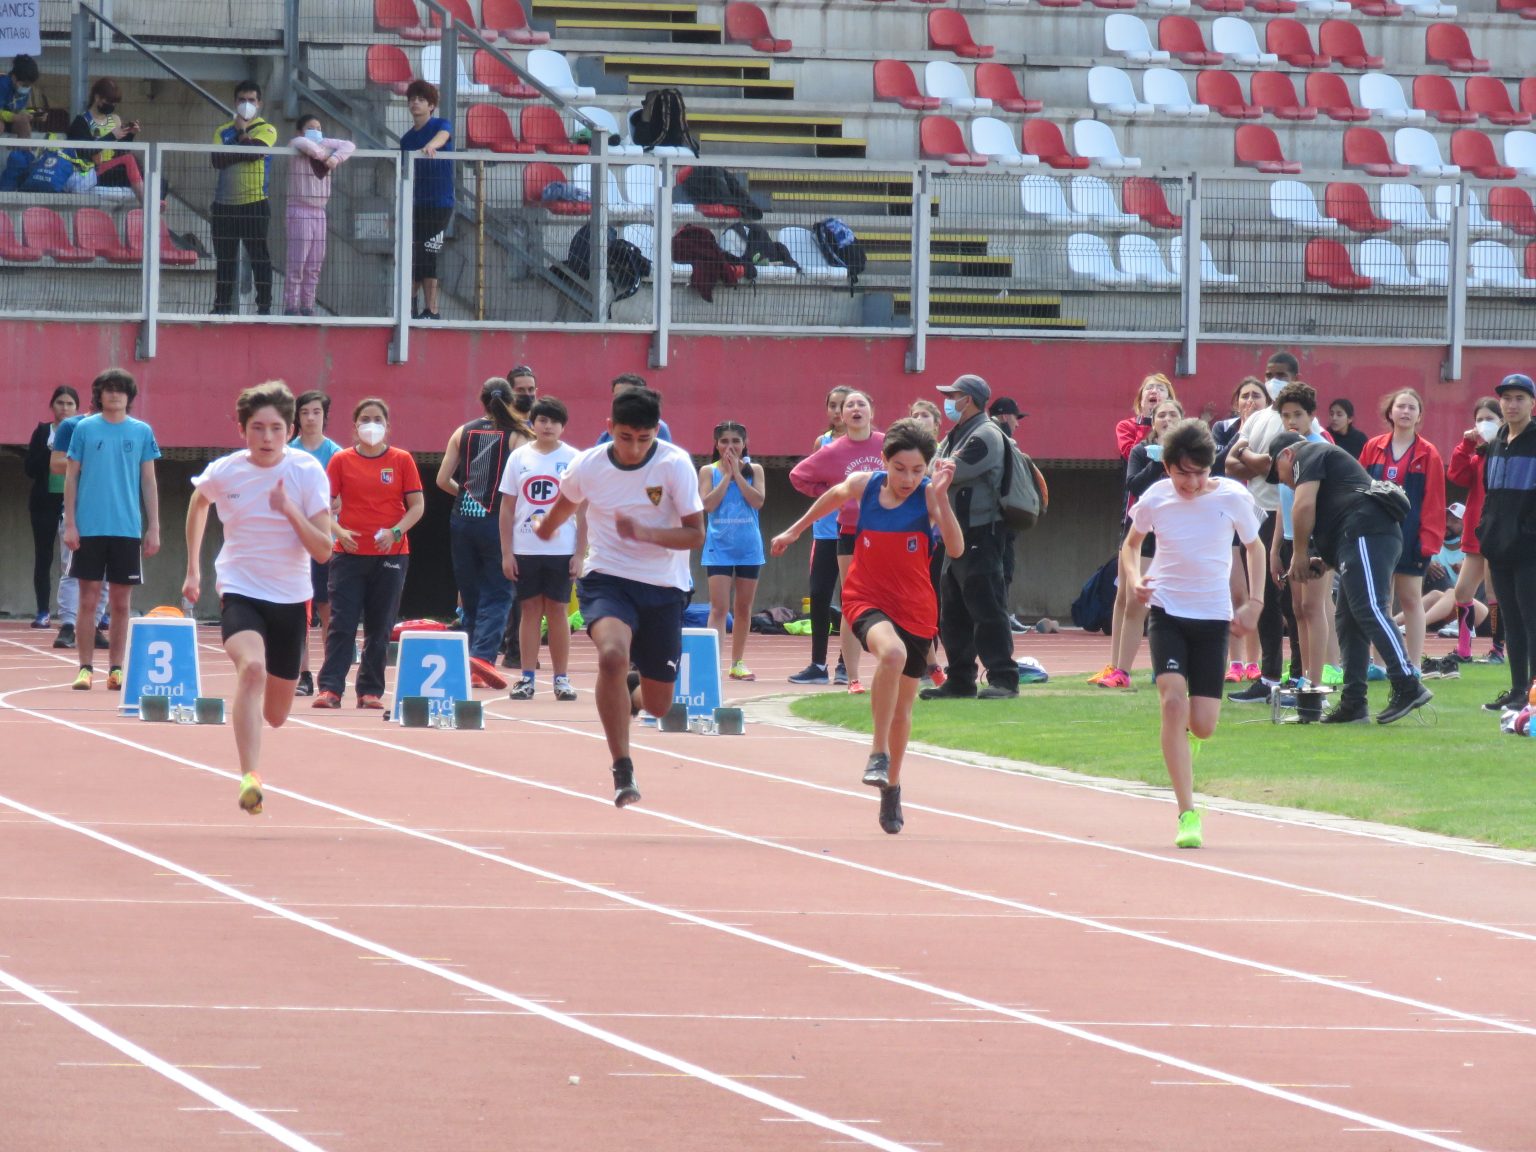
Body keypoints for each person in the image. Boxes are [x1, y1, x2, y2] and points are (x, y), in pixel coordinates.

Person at [770, 418, 964, 835]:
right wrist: (794, 531)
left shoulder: (929, 496)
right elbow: (833, 496)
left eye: (917, 470)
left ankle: (891, 786)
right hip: (866, 598)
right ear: (884, 462)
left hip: (916, 609)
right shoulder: (865, 485)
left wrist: (942, 499)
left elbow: (956, 547)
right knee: (891, 654)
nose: (907, 478)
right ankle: (877, 752)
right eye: (899, 468)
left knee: (903, 711)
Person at [531, 386, 704, 808]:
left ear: (656, 431)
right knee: (611, 655)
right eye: (625, 437)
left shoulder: (675, 464)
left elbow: (695, 534)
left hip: (664, 586)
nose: (634, 448)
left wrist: (647, 533)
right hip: (607, 577)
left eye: (644, 438)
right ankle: (622, 767)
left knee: (659, 705)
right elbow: (565, 504)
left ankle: (633, 692)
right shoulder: (589, 464)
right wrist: (545, 528)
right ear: (609, 428)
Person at [184, 382, 332, 816]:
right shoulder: (225, 471)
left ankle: (258, 733)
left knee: (277, 715)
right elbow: (198, 502)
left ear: (290, 430)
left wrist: (289, 509)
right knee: (251, 669)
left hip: (291, 598)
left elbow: (324, 549)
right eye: (257, 428)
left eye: (276, 429)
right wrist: (193, 568)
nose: (267, 438)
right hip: (240, 589)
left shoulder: (307, 472)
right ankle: (250, 776)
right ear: (242, 430)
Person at [1121, 418, 1265, 849]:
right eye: (1183, 474)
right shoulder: (1156, 497)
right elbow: (1130, 545)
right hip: (1167, 611)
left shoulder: (1232, 497)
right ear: (1167, 467)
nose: (1193, 483)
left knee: (1202, 726)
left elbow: (1254, 547)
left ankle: (1189, 737)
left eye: (1200, 473)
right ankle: (1187, 813)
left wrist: (1255, 602)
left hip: (1213, 619)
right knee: (1172, 702)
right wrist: (1135, 579)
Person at [1267, 432, 1430, 725]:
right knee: (1349, 619)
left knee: (1369, 607)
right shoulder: (1323, 466)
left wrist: (1299, 554)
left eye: (1280, 475)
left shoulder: (1309, 453)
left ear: (1287, 455)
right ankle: (1354, 703)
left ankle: (1408, 683)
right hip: (1360, 537)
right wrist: (1325, 562)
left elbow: (1303, 507)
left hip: (1366, 531)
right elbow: (1338, 510)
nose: (1286, 483)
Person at [313, 398, 424, 708]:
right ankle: (330, 688)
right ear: (355, 426)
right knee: (342, 623)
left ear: (388, 426)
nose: (371, 425)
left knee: (380, 626)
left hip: (391, 555)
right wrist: (338, 531)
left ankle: (370, 690)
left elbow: (417, 506)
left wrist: (395, 532)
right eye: (365, 419)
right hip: (348, 555)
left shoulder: (402, 460)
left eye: (377, 419)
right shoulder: (341, 460)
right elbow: (322, 505)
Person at [62, 369, 161, 691]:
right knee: (87, 600)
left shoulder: (142, 431)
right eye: (109, 389)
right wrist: (71, 523)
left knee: (120, 604)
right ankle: (84, 668)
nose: (115, 394)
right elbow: (71, 477)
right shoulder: (84, 429)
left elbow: (149, 481)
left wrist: (154, 527)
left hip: (126, 529)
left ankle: (116, 669)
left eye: (121, 389)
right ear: (99, 395)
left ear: (129, 396)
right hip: (89, 528)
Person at [922, 374, 1018, 700]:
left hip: (982, 532)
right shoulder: (957, 434)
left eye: (955, 395)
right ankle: (960, 679)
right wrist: (938, 466)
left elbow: (948, 472)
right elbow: (934, 468)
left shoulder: (985, 434)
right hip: (957, 532)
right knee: (953, 611)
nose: (949, 401)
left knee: (987, 607)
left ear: (971, 399)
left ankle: (1004, 678)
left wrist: (938, 466)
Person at [1222, 355, 1305, 702]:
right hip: (1255, 514)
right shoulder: (1257, 418)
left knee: (1292, 602)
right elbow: (1230, 464)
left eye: (1281, 375)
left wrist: (1251, 460)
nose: (1273, 380)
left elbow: (1276, 470)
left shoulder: (1298, 418)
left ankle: (1299, 675)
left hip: (1286, 514)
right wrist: (1259, 463)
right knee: (1265, 598)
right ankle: (1269, 676)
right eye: (1269, 374)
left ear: (1295, 377)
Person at [790, 390, 884, 693]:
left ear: (871, 411)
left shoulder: (886, 444)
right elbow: (798, 476)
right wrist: (833, 495)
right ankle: (840, 671)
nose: (855, 409)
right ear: (841, 415)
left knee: (885, 598)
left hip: (883, 532)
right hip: (843, 531)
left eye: (861, 404)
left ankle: (912, 665)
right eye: (848, 406)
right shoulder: (831, 448)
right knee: (842, 598)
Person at [438, 378, 530, 679]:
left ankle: (468, 659)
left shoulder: (462, 431)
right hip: (497, 520)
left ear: (482, 399)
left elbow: (441, 480)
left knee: (470, 592)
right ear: (511, 400)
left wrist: (465, 495)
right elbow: (525, 483)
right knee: (499, 592)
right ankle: (482, 657)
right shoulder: (517, 436)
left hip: (462, 520)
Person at [1095, 397, 1185, 689]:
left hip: (1178, 533)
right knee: (1133, 599)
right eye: (1161, 415)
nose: (1167, 419)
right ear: (1153, 422)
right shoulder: (1142, 451)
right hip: (1144, 532)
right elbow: (1135, 485)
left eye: (1173, 414)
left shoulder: (1191, 452)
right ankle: (1120, 669)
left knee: (1174, 602)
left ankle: (1168, 665)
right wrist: (1157, 462)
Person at [500, 396, 583, 702]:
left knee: (558, 610)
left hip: (562, 548)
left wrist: (580, 553)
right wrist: (507, 552)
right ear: (532, 423)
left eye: (554, 421)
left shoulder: (574, 458)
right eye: (543, 420)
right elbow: (507, 508)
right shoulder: (519, 457)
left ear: (563, 426)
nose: (548, 426)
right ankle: (526, 678)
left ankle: (561, 679)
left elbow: (584, 510)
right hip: (525, 547)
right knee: (530, 610)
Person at [1358, 388, 1446, 673]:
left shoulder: (1428, 453)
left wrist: (1428, 541)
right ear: (1390, 412)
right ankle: (1379, 663)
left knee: (1410, 599)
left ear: (1419, 415)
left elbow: (1434, 501)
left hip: (1411, 536)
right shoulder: (1373, 447)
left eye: (1412, 407)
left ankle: (1414, 663)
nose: (1406, 412)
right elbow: (1358, 488)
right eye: (1401, 406)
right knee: (1380, 601)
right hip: (1376, 534)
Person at [1477, 373, 1536, 713]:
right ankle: (1518, 690)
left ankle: (1533, 692)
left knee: (1531, 619)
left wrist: (1527, 532)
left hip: (1528, 548)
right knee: (1511, 621)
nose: (1512, 404)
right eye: (1507, 398)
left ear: (1532, 404)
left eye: (1519, 398)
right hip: (1498, 545)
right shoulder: (1498, 440)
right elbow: (1490, 492)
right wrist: (1485, 531)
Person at [788, 386, 851, 685]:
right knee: (819, 596)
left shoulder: (865, 445)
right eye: (833, 405)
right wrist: (825, 492)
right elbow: (809, 476)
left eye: (843, 405)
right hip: (825, 531)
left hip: (853, 531)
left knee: (851, 597)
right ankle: (817, 664)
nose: (838, 411)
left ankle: (845, 664)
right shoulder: (822, 442)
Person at [1270, 383, 1328, 694]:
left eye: (1298, 415)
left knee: (1313, 607)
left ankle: (1316, 682)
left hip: (1316, 538)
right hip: (1294, 538)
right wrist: (1276, 548)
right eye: (1286, 416)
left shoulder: (1317, 448)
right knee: (1298, 608)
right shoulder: (1286, 449)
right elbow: (1284, 502)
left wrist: (1302, 550)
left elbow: (1307, 504)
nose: (1292, 421)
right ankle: (1305, 676)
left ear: (1311, 416)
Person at [700, 420, 766, 682]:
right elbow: (708, 505)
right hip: (719, 547)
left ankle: (737, 662)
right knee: (719, 608)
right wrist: (727, 476)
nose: (730, 446)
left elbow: (757, 501)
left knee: (743, 607)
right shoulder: (708, 471)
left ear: (745, 443)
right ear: (716, 445)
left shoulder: (755, 470)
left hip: (749, 547)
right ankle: (711, 664)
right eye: (725, 441)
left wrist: (738, 474)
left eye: (736, 441)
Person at [1213, 377, 1269, 683]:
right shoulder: (1223, 429)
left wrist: (1245, 461)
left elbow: (1267, 469)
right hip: (1228, 513)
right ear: (1236, 402)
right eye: (1245, 396)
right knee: (1234, 590)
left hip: (1261, 512)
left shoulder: (1272, 428)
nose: (1250, 401)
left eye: (1256, 396)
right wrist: (1242, 436)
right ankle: (1235, 661)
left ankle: (1254, 661)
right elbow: (1219, 464)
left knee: (1256, 591)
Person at [288, 390, 343, 695]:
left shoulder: (337, 454)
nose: (310, 418)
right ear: (297, 417)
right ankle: (303, 673)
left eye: (316, 412)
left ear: (325, 416)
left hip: (325, 541)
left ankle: (330, 675)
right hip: (294, 543)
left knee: (327, 609)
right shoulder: (288, 452)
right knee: (298, 610)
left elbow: (341, 498)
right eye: (305, 412)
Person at [48, 393, 109, 653]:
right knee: (71, 568)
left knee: (105, 573)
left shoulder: (124, 428)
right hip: (78, 508)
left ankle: (93, 625)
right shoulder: (71, 426)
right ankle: (68, 625)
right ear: (93, 403)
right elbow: (56, 464)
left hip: (111, 511)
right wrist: (90, 463)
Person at [211, 80, 277, 316]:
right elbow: (217, 160)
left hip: (254, 203)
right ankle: (221, 307)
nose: (246, 104)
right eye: (242, 100)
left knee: (259, 257)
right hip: (224, 205)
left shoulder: (267, 129)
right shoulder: (222, 130)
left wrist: (241, 133)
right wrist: (243, 146)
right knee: (225, 260)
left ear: (259, 103)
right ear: (234, 102)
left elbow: (254, 152)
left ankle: (264, 308)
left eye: (251, 100)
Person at [1447, 396, 1503, 667]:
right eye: (1479, 420)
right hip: (1475, 534)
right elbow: (1457, 475)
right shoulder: (1478, 455)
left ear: (1502, 421)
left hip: (1499, 533)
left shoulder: (1508, 453)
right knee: (1462, 592)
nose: (1484, 424)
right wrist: (1466, 444)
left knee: (1494, 593)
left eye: (1490, 419)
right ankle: (1464, 649)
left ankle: (1497, 649)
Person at [284, 113, 354, 317]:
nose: (316, 131)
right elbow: (302, 143)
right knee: (297, 262)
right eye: (310, 127)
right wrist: (324, 156)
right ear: (300, 130)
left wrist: (335, 157)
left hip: (319, 212)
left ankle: (307, 306)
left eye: (319, 128)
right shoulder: (296, 144)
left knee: (314, 263)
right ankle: (291, 306)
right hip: (299, 209)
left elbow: (349, 145)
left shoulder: (325, 144)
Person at [25, 386, 79, 629]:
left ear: (77, 408)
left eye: (69, 403)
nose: (64, 408)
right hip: (45, 503)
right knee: (44, 556)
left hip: (75, 503)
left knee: (79, 559)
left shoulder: (83, 430)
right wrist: (49, 451)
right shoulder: (42, 432)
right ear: (52, 406)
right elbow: (29, 469)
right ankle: (43, 611)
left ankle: (89, 612)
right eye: (60, 403)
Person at [400, 79, 453, 321]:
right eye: (412, 99)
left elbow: (443, 135)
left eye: (421, 100)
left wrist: (431, 146)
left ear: (431, 105)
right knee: (414, 255)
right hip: (416, 203)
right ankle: (410, 307)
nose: (415, 103)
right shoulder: (406, 139)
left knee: (428, 252)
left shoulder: (440, 124)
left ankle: (432, 309)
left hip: (440, 203)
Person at [66, 79, 145, 203]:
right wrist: (111, 136)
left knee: (153, 177)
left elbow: (120, 151)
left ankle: (154, 203)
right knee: (129, 160)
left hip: (112, 168)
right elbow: (84, 152)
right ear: (97, 98)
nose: (112, 106)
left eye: (114, 103)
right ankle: (147, 203)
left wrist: (130, 135)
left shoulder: (115, 120)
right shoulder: (81, 122)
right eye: (108, 102)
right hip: (91, 171)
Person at [1115, 372, 1178, 461]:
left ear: (1169, 400)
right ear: (1141, 399)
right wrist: (1147, 420)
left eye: (1161, 389)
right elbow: (1131, 456)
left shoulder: (1178, 427)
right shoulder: (1126, 426)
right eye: (1149, 388)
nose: (1154, 391)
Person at [596, 374, 673, 444]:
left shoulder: (655, 428)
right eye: (617, 396)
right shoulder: (606, 435)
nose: (621, 402)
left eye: (627, 397)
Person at [0, 55, 43, 138]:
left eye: (29, 85)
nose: (26, 88)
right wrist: (14, 117)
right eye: (24, 85)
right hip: (4, 119)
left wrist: (34, 115)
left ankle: (24, 146)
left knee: (24, 125)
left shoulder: (24, 89)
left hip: (11, 119)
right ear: (14, 78)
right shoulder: (2, 84)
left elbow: (19, 110)